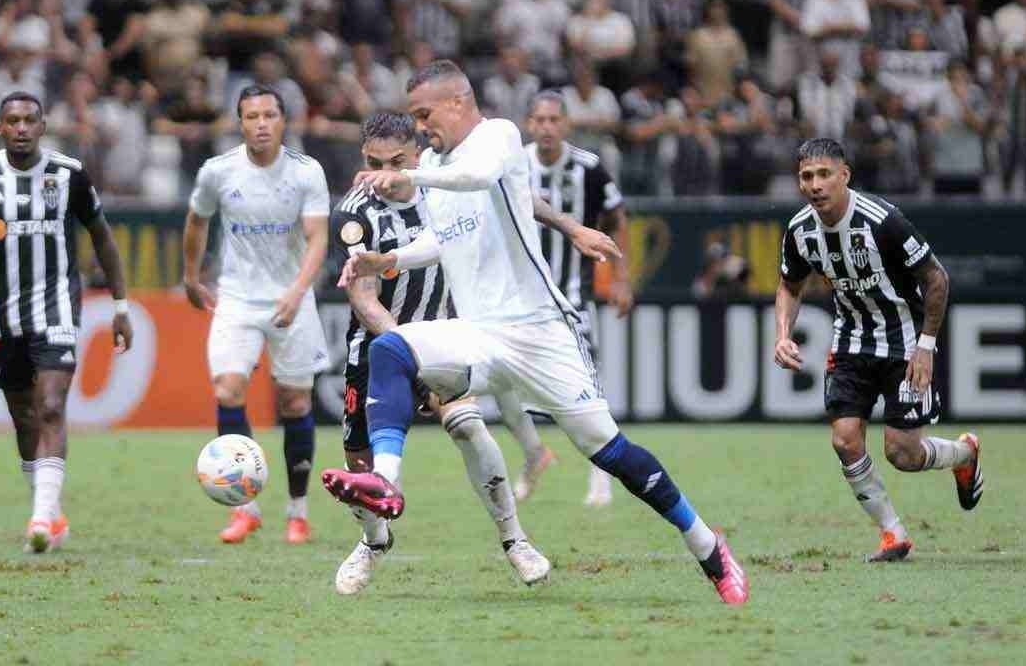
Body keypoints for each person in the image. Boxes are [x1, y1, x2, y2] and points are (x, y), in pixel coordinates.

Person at [324, 61, 749, 605]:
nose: (421, 126)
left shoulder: (498, 138)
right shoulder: (433, 165)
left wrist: (412, 177)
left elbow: (476, 177)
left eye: (425, 114)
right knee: (391, 347)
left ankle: (709, 548)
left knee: (609, 451)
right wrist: (390, 258)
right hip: (478, 333)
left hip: (539, 333)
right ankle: (386, 482)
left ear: (459, 102)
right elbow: (444, 239)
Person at [328, 111, 619, 594]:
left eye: (396, 161)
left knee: (467, 426)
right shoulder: (354, 213)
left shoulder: (445, 182)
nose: (385, 174)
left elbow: (520, 199)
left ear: (417, 154)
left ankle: (516, 540)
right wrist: (406, 352)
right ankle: (373, 541)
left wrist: (571, 227)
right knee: (359, 463)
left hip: (450, 332)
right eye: (374, 162)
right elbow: (363, 296)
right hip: (380, 345)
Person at [0, 91, 134, 554]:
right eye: (12, 121)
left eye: (29, 120)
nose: (21, 128)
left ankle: (41, 518)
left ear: (43, 126)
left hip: (58, 308)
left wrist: (121, 307)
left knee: (50, 407)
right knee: (24, 417)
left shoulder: (70, 175)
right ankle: (48, 512)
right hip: (3, 317)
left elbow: (102, 239)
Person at [773, 137, 982, 563]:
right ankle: (893, 534)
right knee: (845, 439)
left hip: (905, 342)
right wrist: (782, 334)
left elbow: (937, 279)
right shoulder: (800, 230)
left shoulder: (882, 220)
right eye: (806, 176)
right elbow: (789, 285)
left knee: (902, 453)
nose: (815, 184)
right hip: (850, 342)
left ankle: (965, 454)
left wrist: (926, 345)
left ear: (844, 176)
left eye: (824, 174)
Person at [183, 85, 331, 546]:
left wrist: (297, 290)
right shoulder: (218, 172)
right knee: (229, 390)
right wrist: (190, 276)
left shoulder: (307, 173)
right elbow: (196, 221)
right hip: (238, 299)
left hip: (292, 297)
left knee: (296, 404)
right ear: (240, 122)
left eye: (270, 115)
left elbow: (318, 239)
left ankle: (297, 511)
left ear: (284, 121)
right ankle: (244, 509)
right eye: (252, 116)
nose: (261, 124)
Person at [506, 91, 633, 507]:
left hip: (571, 298)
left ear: (566, 125)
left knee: (584, 385)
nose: (546, 127)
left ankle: (602, 475)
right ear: (528, 123)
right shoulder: (512, 164)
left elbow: (617, 219)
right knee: (501, 382)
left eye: (553, 120)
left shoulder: (590, 168)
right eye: (538, 120)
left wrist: (621, 279)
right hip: (516, 298)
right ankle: (533, 455)